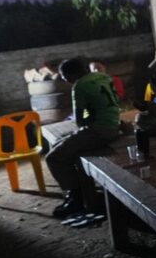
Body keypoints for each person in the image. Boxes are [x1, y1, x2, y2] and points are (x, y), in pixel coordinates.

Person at [46, 58, 121, 219]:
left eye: (65, 77)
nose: (65, 81)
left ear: (71, 74)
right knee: (61, 144)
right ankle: (78, 193)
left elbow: (79, 121)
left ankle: (76, 199)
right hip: (114, 125)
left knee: (54, 157)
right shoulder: (103, 76)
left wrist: (89, 118)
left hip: (99, 131)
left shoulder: (79, 86)